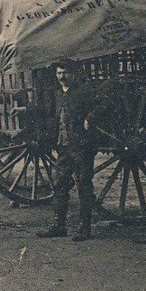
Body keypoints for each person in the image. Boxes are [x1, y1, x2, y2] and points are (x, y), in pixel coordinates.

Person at [37, 59, 100, 242]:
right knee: (59, 184)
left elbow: (103, 103)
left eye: (65, 73)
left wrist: (90, 117)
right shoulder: (58, 94)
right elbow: (49, 113)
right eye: (58, 73)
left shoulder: (84, 91)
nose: (62, 77)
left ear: (73, 74)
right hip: (63, 147)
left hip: (82, 146)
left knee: (83, 184)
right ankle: (59, 226)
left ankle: (84, 228)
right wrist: (26, 108)